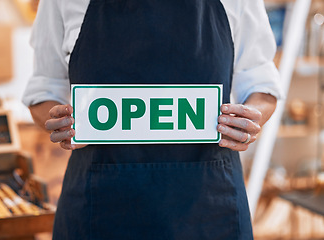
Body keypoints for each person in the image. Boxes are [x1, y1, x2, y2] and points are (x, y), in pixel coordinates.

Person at [23, 0, 282, 239]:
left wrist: (251, 117)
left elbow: (261, 82)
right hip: (99, 207)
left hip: (210, 209)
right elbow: (44, 89)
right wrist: (56, 119)